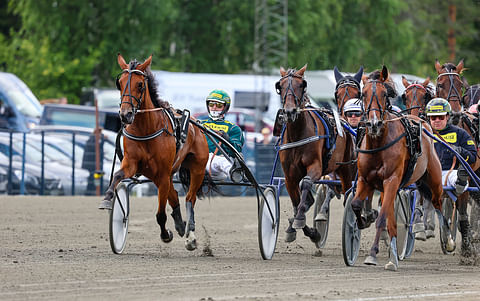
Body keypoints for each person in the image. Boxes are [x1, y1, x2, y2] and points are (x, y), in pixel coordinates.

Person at [414, 98, 477, 240]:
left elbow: (472, 156)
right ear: (428, 118)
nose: (436, 120)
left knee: (459, 177)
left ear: (447, 116)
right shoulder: (421, 134)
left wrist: (459, 150)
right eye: (433, 117)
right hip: (428, 176)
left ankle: (461, 183)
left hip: (450, 174)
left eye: (440, 117)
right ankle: (417, 216)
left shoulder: (460, 134)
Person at [201, 89, 244, 180]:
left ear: (225, 107)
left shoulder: (233, 128)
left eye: (219, 105)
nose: (214, 107)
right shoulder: (199, 124)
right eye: (211, 104)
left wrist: (227, 139)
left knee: (221, 161)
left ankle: (235, 174)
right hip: (198, 161)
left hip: (217, 165)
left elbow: (237, 150)